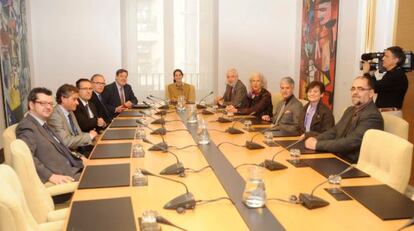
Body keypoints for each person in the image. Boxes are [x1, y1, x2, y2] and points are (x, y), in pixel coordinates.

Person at [304, 76, 384, 163]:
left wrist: (317, 145)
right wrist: (316, 139)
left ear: (371, 93)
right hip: (338, 156)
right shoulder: (350, 110)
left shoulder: (372, 116)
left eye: (360, 89)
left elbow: (350, 142)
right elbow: (335, 131)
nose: (355, 92)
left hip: (352, 164)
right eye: (353, 89)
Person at [16, 88, 84, 184]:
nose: (48, 107)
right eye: (43, 103)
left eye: (50, 104)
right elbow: (26, 156)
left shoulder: (43, 123)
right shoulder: (27, 126)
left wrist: (80, 157)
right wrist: (50, 176)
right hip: (65, 176)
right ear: (31, 105)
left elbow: (61, 147)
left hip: (74, 167)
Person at [48, 84, 98, 155]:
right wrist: (89, 136)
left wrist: (92, 137)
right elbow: (65, 142)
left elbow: (77, 133)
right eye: (74, 99)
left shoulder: (70, 111)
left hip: (79, 149)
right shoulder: (54, 116)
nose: (77, 103)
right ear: (63, 99)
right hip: (68, 154)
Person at [362, 46, 408, 117]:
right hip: (387, 113)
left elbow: (375, 87)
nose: (383, 58)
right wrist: (371, 74)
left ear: (395, 60)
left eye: (386, 56)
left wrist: (366, 73)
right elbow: (380, 85)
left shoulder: (397, 75)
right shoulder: (393, 73)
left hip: (390, 114)